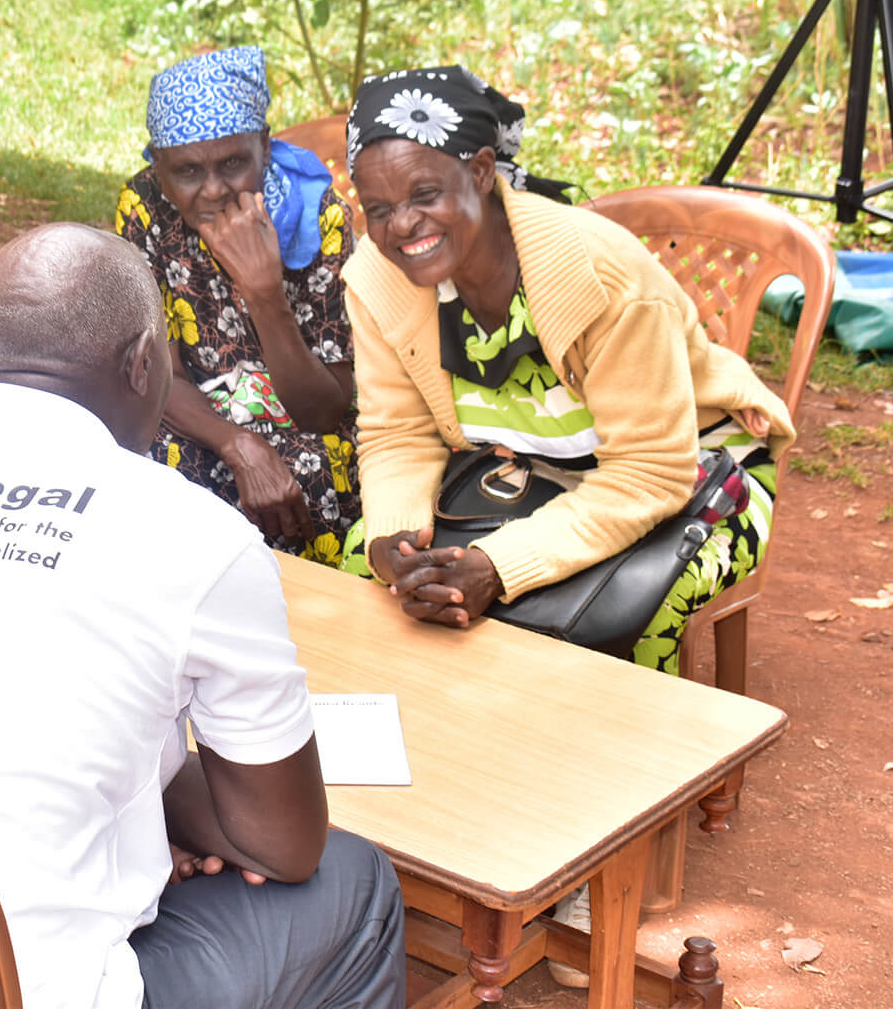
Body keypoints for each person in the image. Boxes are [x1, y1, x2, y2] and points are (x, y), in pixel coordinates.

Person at [0, 223, 405, 1009]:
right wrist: (166, 803)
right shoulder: (195, 534)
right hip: (22, 991)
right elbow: (285, 845)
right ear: (144, 361)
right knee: (355, 883)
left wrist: (142, 807)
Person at [341, 66, 795, 983]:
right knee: (369, 570)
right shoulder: (377, 280)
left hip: (690, 468)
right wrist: (398, 539)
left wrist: (496, 568)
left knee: (632, 608)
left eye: (424, 194)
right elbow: (393, 433)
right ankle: (454, 802)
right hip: (520, 474)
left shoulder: (594, 276)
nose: (400, 228)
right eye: (377, 206)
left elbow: (651, 472)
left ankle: (604, 849)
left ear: (481, 171)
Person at [116, 46, 361, 566]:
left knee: (314, 475)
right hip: (194, 414)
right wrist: (238, 444)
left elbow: (324, 410)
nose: (213, 191)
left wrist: (264, 292)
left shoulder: (319, 220)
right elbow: (156, 375)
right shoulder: (144, 209)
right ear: (157, 169)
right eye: (186, 171)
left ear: (265, 149)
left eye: (232, 164)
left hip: (303, 423)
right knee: (149, 468)